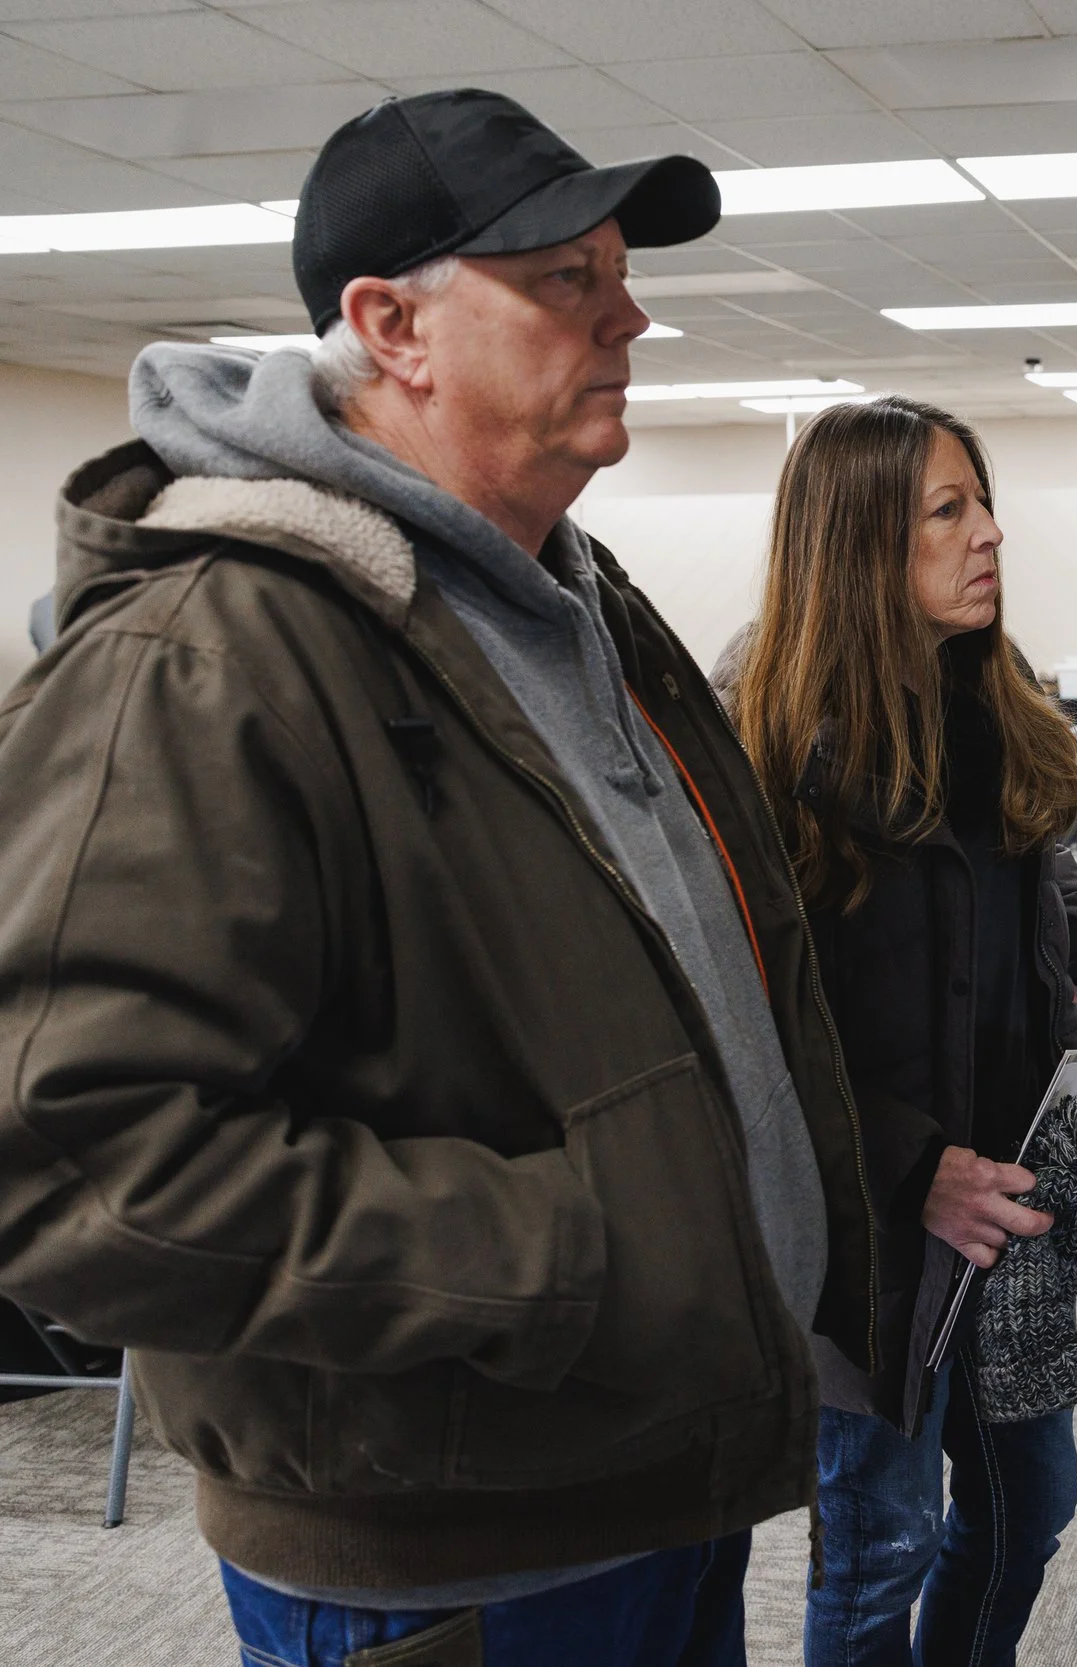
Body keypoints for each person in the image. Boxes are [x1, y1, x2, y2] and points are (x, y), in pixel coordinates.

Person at [0, 90, 874, 1664]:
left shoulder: (560, 597)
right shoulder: (207, 655)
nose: (633, 313)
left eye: (622, 272)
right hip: (455, 1557)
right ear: (392, 324)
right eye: (568, 278)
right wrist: (573, 1260)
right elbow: (74, 1165)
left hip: (651, 1485)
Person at [724, 395, 1077, 1667]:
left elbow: (1064, 883)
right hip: (874, 1237)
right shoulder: (772, 739)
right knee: (878, 1546)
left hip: (1012, 1206)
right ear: (855, 544)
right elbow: (753, 1019)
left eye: (983, 499)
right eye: (947, 511)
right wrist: (914, 1169)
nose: (991, 534)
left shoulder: (994, 699)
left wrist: (1075, 1019)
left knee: (1030, 1500)